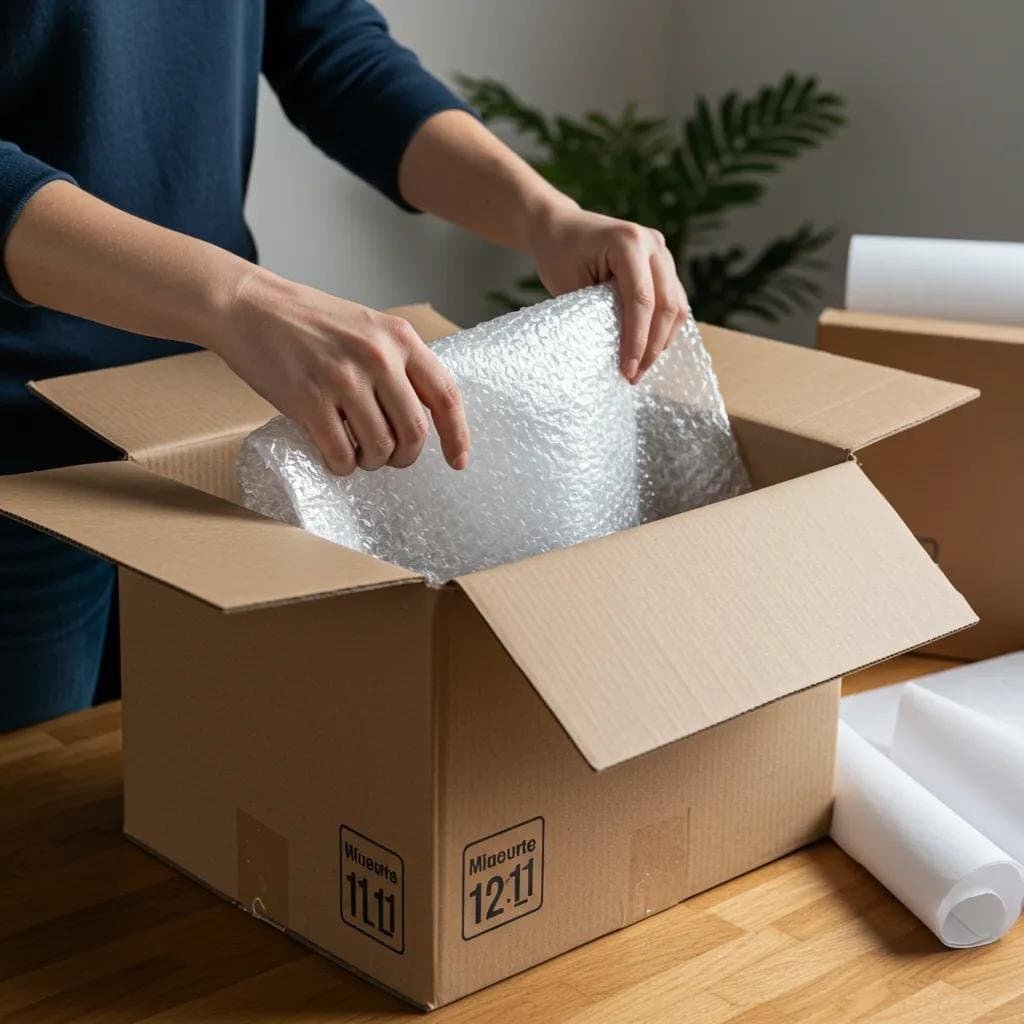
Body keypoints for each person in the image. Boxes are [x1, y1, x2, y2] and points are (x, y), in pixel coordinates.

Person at [0, 1, 688, 731]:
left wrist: (544, 215)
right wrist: (237, 301)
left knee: (193, 793)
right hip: (20, 454)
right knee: (38, 816)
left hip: (194, 427)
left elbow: (329, 46)